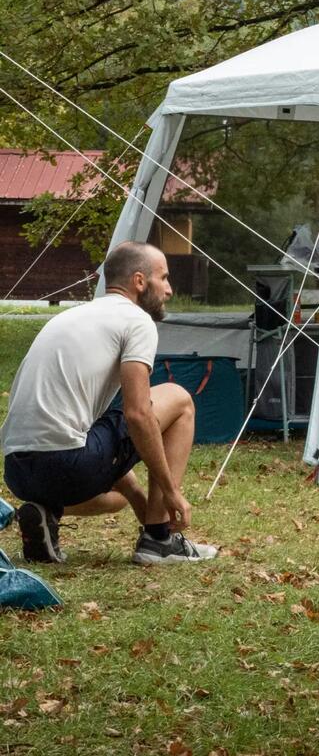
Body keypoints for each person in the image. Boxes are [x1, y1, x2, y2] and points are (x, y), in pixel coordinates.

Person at [1, 240, 218, 565]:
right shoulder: (136, 320)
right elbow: (138, 413)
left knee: (117, 498)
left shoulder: (72, 316)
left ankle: (45, 514)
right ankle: (159, 541)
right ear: (140, 281)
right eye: (164, 278)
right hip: (67, 465)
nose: (170, 289)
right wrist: (171, 491)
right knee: (179, 400)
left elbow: (100, 434)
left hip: (17, 472)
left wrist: (138, 498)